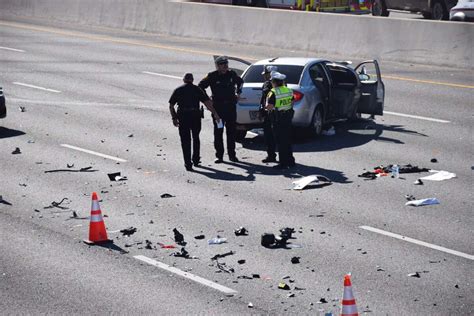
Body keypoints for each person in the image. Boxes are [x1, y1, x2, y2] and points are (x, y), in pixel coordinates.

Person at [169, 73, 220, 171]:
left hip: (183, 116)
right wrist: (215, 113)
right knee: (196, 137)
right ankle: (196, 159)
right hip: (195, 116)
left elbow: (171, 105)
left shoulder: (178, 90)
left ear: (184, 80)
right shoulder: (197, 89)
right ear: (192, 80)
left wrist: (174, 118)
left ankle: (188, 163)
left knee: (185, 140)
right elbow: (207, 103)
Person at [198, 56, 244, 163]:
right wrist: (207, 99)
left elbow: (241, 82)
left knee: (231, 132)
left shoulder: (231, 74)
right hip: (218, 109)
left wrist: (238, 93)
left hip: (231, 107)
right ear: (217, 66)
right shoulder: (212, 76)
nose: (225, 66)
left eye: (226, 64)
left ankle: (232, 155)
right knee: (218, 132)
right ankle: (219, 155)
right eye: (222, 64)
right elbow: (200, 87)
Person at [266, 71, 296, 170]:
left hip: (278, 118)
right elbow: (292, 103)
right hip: (287, 117)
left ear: (274, 82)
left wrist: (267, 108)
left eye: (272, 81)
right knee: (287, 140)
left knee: (280, 141)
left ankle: (283, 163)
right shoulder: (289, 90)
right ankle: (291, 161)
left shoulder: (273, 92)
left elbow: (269, 107)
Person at [259, 65, 278, 163]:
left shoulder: (267, 84)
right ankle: (284, 158)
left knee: (269, 136)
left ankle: (271, 156)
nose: (264, 76)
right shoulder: (282, 83)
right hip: (280, 114)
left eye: (266, 74)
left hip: (270, 115)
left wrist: (262, 111)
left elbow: (265, 98)